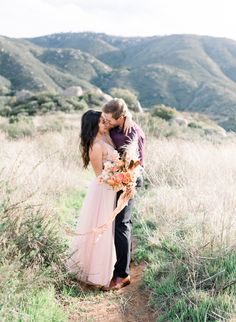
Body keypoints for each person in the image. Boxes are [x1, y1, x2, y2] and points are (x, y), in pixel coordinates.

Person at [66, 110, 119, 288]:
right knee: (101, 226)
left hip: (111, 187)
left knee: (111, 227)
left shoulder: (107, 138)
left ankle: (110, 266)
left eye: (105, 121)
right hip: (103, 190)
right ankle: (96, 273)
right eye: (102, 121)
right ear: (93, 125)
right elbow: (99, 176)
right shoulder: (96, 146)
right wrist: (119, 179)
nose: (105, 124)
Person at [101, 98, 145, 291]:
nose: (107, 122)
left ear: (121, 117)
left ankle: (122, 274)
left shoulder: (133, 133)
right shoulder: (113, 129)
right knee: (117, 223)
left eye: (109, 119)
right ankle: (116, 264)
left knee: (122, 224)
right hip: (114, 179)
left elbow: (138, 164)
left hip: (129, 180)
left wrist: (125, 179)